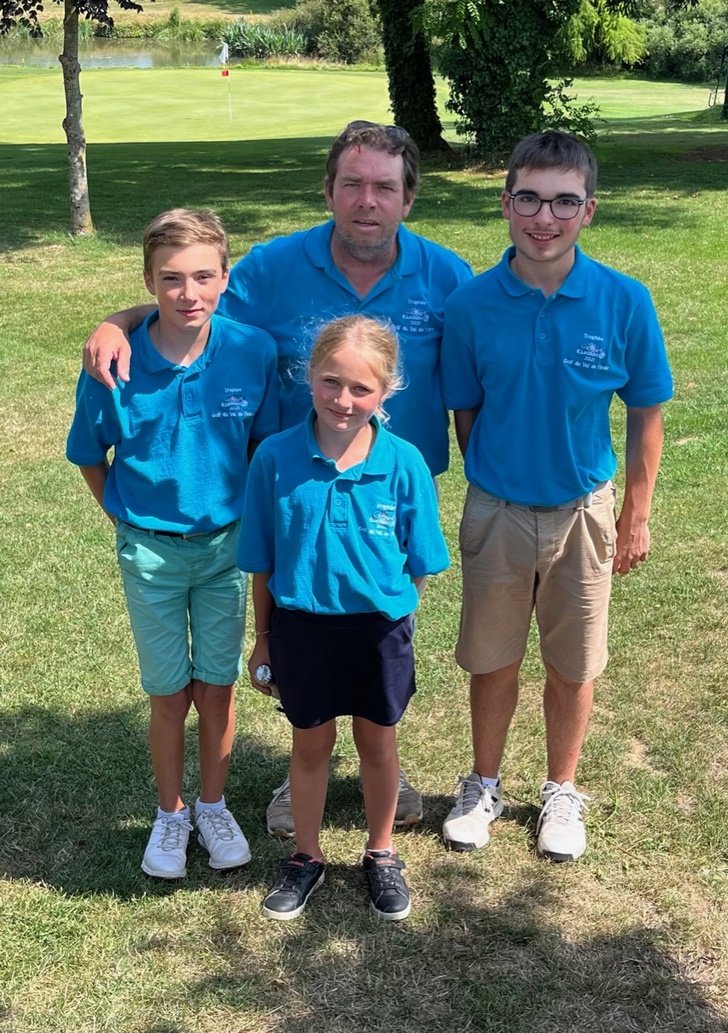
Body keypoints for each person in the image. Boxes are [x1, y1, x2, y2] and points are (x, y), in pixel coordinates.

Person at [81, 120, 473, 837]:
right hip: (294, 492)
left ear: (408, 198)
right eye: (351, 183)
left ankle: (383, 756)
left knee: (383, 628)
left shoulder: (447, 277)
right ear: (328, 190)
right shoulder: (272, 268)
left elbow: (488, 362)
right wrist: (118, 319)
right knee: (306, 629)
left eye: (384, 186)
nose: (366, 201)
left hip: (392, 489)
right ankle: (308, 771)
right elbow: (194, 306)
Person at [439, 131, 674, 862]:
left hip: (583, 512)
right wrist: (498, 473)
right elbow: (466, 411)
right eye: (531, 199)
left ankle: (562, 791)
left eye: (565, 202)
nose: (546, 217)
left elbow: (645, 415)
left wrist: (635, 514)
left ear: (589, 210)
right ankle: (482, 784)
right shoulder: (472, 304)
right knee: (492, 659)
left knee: (574, 664)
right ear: (506, 204)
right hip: (498, 510)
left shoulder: (623, 301)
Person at [66, 209, 280, 880]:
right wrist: (126, 519)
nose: (190, 294)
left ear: (225, 276)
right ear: (148, 282)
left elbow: (263, 450)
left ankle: (213, 806)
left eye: (204, 277)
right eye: (172, 279)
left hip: (225, 550)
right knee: (168, 695)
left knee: (216, 688)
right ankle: (171, 814)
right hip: (149, 555)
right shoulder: (115, 363)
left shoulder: (253, 351)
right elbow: (89, 454)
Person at [237, 315, 449, 921]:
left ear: (387, 391)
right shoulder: (276, 459)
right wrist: (265, 638)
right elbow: (261, 562)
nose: (344, 400)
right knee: (311, 746)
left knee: (377, 744)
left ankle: (381, 853)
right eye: (331, 382)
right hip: (301, 629)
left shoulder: (404, 463)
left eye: (362, 389)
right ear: (308, 377)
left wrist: (391, 615)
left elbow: (420, 562)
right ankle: (306, 857)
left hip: (378, 631)